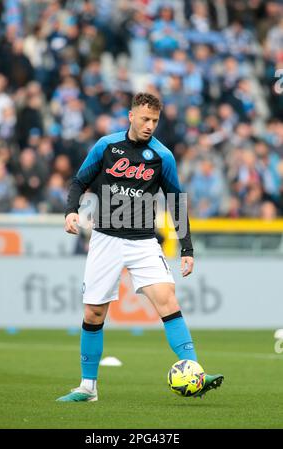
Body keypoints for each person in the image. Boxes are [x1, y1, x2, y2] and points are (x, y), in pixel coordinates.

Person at [57, 92, 223, 402]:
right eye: (145, 119)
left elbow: (177, 201)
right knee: (94, 313)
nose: (149, 126)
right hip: (105, 238)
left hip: (144, 242)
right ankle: (87, 388)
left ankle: (196, 373)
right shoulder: (106, 146)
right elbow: (79, 181)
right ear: (131, 116)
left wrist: (187, 249)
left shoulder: (163, 156)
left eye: (155, 121)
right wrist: (71, 210)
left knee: (168, 299)